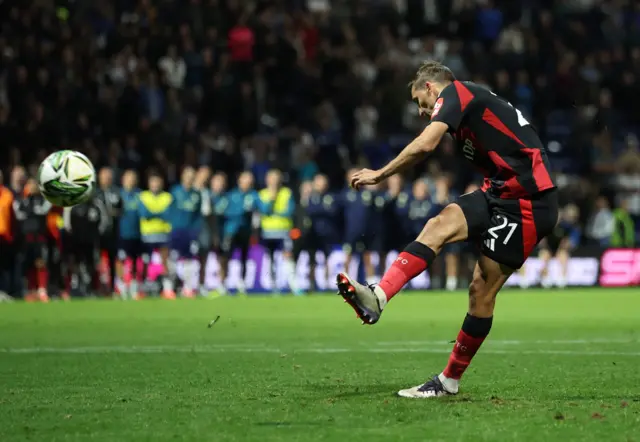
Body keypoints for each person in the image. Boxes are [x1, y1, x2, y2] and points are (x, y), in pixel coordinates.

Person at [335, 61, 558, 398]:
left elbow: (425, 145)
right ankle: (378, 297)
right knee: (438, 225)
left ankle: (448, 380)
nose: (422, 111)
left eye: (419, 102)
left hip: (529, 202)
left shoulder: (457, 92)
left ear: (430, 88)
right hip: (498, 191)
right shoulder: (467, 110)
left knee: (480, 292)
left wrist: (380, 174)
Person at [258, 169, 299, 295]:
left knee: (288, 257)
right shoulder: (262, 194)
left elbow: (290, 211)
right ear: (267, 180)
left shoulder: (287, 193)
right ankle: (274, 286)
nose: (274, 181)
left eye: (276, 178)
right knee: (270, 259)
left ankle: (294, 285)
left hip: (283, 231)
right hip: (268, 232)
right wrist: (272, 199)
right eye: (271, 178)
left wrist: (275, 214)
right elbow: (264, 210)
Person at [218, 171, 259, 295]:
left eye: (249, 180)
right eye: (245, 179)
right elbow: (222, 211)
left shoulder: (253, 195)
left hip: (245, 231)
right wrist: (240, 212)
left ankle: (242, 282)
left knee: (244, 256)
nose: (247, 182)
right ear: (239, 180)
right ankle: (222, 283)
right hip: (231, 230)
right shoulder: (231, 195)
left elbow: (261, 208)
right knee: (226, 256)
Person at [297, 174, 341, 290]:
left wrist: (318, 209)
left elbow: (333, 211)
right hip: (313, 233)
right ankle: (312, 283)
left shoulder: (330, 197)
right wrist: (322, 209)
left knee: (328, 259)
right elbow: (309, 210)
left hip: (327, 233)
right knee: (312, 260)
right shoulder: (312, 197)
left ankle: (326, 282)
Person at [12, 177, 52, 301]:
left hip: (39, 236)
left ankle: (42, 289)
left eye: (35, 184)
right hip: (26, 237)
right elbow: (18, 213)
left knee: (40, 262)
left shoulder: (43, 200)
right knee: (27, 264)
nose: (32, 187)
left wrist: (30, 212)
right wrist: (31, 211)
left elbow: (44, 210)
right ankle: (31, 290)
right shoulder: (22, 201)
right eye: (30, 184)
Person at [63, 195, 109, 297]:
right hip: (76, 240)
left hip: (91, 241)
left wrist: (96, 234)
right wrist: (71, 234)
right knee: (76, 263)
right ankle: (76, 286)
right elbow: (66, 223)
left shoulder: (96, 203)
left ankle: (91, 287)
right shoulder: (72, 202)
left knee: (91, 264)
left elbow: (104, 220)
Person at [168, 167, 204, 298]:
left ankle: (188, 288)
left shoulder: (197, 194)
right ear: (183, 177)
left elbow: (198, 215)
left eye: (192, 176)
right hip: (176, 230)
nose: (189, 179)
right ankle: (170, 287)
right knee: (173, 259)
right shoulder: (175, 191)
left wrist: (196, 231)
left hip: (190, 232)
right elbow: (169, 210)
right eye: (187, 176)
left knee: (189, 260)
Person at [138, 172, 173, 299]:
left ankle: (167, 288)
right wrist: (158, 214)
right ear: (149, 184)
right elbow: (144, 214)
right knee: (145, 261)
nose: (155, 185)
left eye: (157, 182)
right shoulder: (143, 196)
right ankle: (143, 287)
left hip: (163, 233)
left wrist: (153, 213)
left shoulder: (167, 197)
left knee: (165, 261)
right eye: (153, 182)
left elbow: (167, 215)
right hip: (147, 234)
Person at [94, 167, 123, 295]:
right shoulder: (94, 193)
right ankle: (98, 286)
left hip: (113, 232)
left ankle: (112, 287)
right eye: (104, 176)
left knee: (113, 260)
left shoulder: (116, 193)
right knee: (97, 260)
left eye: (108, 176)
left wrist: (115, 213)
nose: (107, 178)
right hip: (97, 233)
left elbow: (122, 210)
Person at [537, 204, 581, 288]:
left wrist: (563, 247)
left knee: (563, 255)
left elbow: (567, 241)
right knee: (544, 255)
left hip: (560, 249)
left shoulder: (565, 227)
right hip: (548, 249)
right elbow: (542, 241)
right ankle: (545, 279)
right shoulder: (546, 226)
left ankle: (562, 279)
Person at [116, 170, 142, 299]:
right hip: (122, 233)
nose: (130, 180)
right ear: (123, 180)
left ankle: (133, 285)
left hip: (137, 234)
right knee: (120, 259)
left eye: (133, 178)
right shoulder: (118, 194)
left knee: (136, 261)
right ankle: (121, 285)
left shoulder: (140, 195)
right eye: (128, 178)